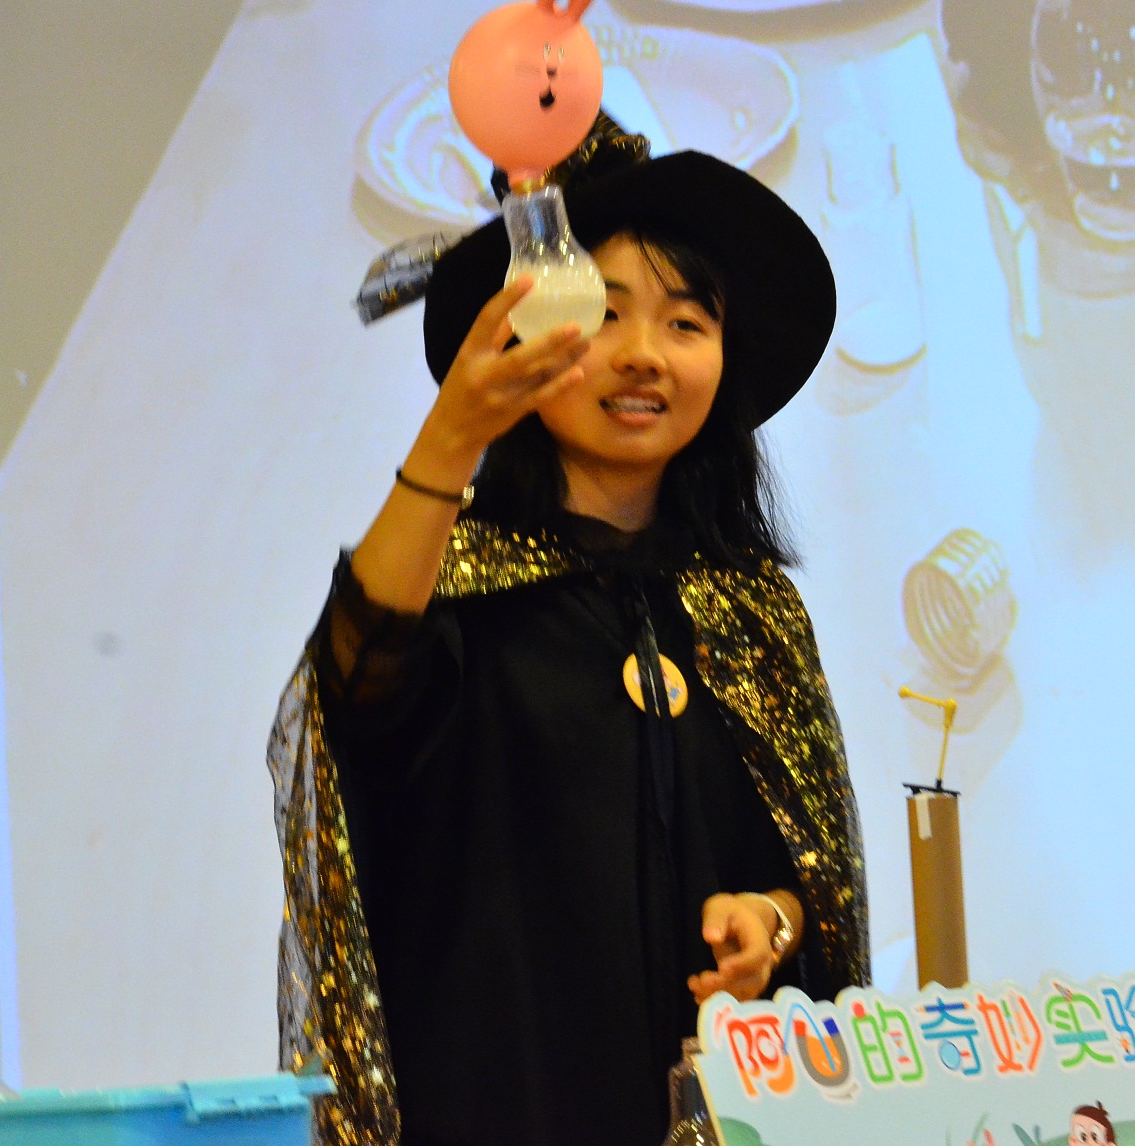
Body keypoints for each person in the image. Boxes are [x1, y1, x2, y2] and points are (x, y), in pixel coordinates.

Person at [270, 116, 870, 1146]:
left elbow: (808, 875)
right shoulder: (448, 586)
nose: (643, 356)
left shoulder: (753, 607)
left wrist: (771, 922)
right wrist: (451, 437)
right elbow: (353, 691)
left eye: (686, 324)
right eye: (600, 315)